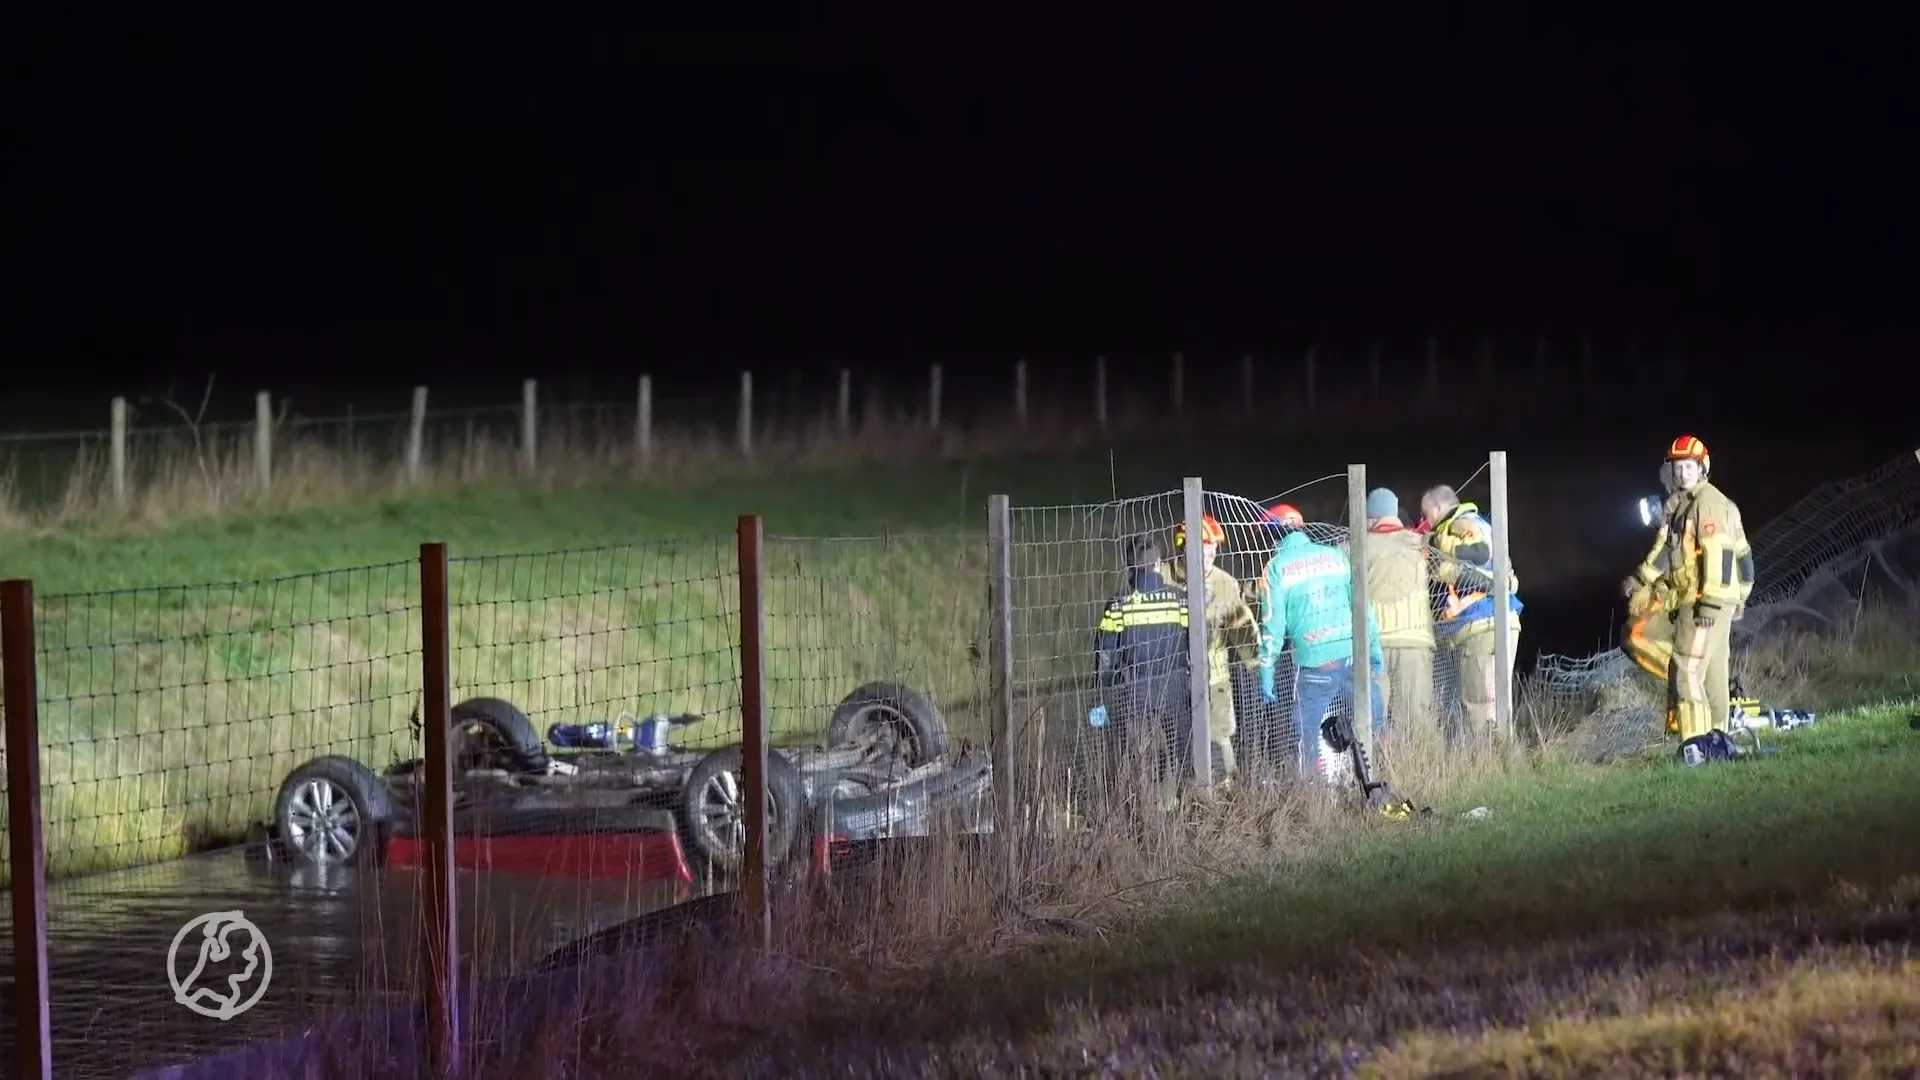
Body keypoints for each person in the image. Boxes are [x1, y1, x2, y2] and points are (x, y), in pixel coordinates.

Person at [1621, 435, 1755, 765]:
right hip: (1702, 599)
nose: (1682, 473)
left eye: (1688, 467)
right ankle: (1719, 741)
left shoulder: (1706, 503)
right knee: (1712, 672)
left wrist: (1710, 602)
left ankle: (1696, 744)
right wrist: (1640, 579)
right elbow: (1665, 553)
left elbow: (1720, 555)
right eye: (1677, 467)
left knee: (1687, 668)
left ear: (1702, 468)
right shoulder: (1681, 505)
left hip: (1703, 600)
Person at [1255, 504, 1385, 782]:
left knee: (1306, 733)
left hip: (1315, 662)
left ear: (1271, 537)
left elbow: (1272, 627)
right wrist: (1374, 651)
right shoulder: (1335, 556)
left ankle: (1313, 791)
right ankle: (1387, 772)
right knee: (1374, 720)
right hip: (1352, 655)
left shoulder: (1276, 568)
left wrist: (1266, 672)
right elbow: (1363, 608)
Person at [1156, 513, 1260, 784]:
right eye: (1203, 554)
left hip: (1215, 681)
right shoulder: (1161, 577)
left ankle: (1227, 795)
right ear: (1183, 549)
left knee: (1219, 742)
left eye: (1212, 553)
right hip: (1172, 681)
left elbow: (1242, 629)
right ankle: (1172, 802)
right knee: (1171, 746)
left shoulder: (1224, 583)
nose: (1209, 560)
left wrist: (1257, 663)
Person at [1419, 484, 1524, 742]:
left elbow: (1480, 553)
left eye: (1426, 514)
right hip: (1505, 619)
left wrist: (1437, 544)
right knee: (1498, 701)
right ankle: (1504, 753)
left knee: (1478, 703)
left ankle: (1485, 757)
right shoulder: (1484, 524)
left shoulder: (1459, 524)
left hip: (1481, 623)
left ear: (1437, 507)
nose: (1425, 521)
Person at [1096, 534, 1193, 808]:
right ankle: (1186, 807)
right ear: (1158, 563)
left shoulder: (1119, 602)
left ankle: (1142, 811)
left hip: (1134, 689)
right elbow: (1195, 644)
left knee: (1136, 755)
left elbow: (1105, 653)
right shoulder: (1179, 599)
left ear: (1130, 567)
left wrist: (1101, 696)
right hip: (1175, 686)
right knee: (1182, 752)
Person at [1361, 489, 1437, 746]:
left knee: (1373, 722)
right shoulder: (1421, 544)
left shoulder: (1355, 547)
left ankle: (1377, 769)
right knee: (1416, 722)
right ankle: (1418, 767)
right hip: (1415, 642)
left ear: (1370, 517)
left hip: (1373, 646)